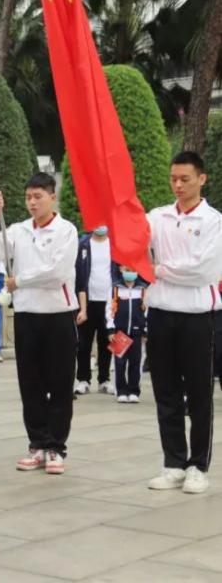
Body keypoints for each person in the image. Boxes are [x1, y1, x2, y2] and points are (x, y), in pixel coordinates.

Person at [0, 174, 78, 475]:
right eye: (28, 197)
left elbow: (57, 273)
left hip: (58, 314)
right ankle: (37, 443)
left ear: (52, 198)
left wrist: (19, 281)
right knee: (30, 384)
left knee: (59, 383)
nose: (32, 202)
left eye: (38, 196)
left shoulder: (66, 230)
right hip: (27, 315)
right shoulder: (17, 231)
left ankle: (56, 447)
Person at [144, 151, 222, 495]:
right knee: (166, 392)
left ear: (201, 179)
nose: (177, 185)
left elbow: (203, 271)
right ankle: (174, 462)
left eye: (185, 179)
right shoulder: (157, 217)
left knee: (199, 394)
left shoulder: (213, 221)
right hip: (161, 312)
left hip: (198, 316)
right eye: (173, 178)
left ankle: (198, 465)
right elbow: (134, 246)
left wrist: (158, 269)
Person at [75, 225, 113, 395]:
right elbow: (78, 274)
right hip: (87, 301)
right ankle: (83, 379)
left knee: (107, 342)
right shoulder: (82, 244)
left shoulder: (115, 245)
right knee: (84, 343)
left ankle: (104, 380)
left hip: (109, 301)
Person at [106, 264, 146, 404]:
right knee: (119, 363)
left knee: (136, 362)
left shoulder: (142, 290)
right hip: (120, 332)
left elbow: (147, 311)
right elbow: (109, 310)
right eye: (127, 270)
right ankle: (121, 391)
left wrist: (145, 330)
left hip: (136, 333)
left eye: (132, 270)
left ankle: (134, 391)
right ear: (121, 270)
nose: (130, 273)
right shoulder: (115, 289)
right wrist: (111, 329)